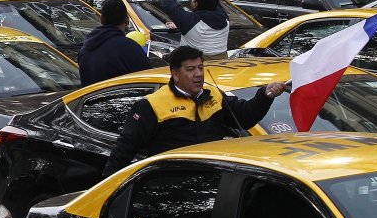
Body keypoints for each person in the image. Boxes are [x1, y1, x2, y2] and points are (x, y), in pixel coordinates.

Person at [102, 45, 287, 175]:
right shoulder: (151, 105)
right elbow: (124, 149)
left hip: (212, 178)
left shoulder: (214, 95)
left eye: (200, 68)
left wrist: (265, 96)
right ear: (175, 74)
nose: (198, 74)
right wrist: (106, 187)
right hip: (171, 184)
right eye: (190, 69)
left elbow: (245, 117)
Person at [77, 0, 152, 86]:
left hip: (91, 94)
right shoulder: (129, 48)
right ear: (126, 20)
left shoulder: (85, 49)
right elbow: (148, 79)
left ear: (102, 19)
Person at [161, 0, 229, 59]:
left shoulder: (190, 21)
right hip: (222, 62)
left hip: (196, 63)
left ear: (195, 4)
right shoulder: (223, 16)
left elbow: (168, 3)